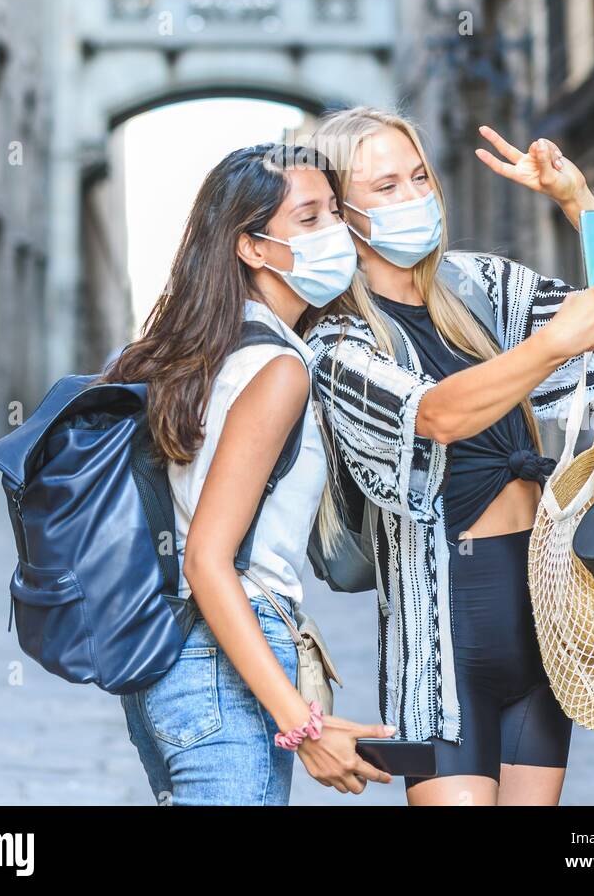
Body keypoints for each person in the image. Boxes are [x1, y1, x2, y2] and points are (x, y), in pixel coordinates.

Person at [304, 107, 594, 808]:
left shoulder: (479, 287)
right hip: (442, 650)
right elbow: (436, 416)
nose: (414, 196)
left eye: (419, 176)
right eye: (384, 186)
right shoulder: (336, 340)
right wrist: (553, 344)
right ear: (338, 209)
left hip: (545, 624)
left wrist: (578, 201)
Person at [102, 141, 395, 806]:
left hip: (172, 661)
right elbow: (209, 560)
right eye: (310, 219)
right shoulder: (276, 369)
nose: (337, 235)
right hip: (225, 649)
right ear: (253, 248)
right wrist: (305, 726)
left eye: (335, 213)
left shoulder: (209, 354)